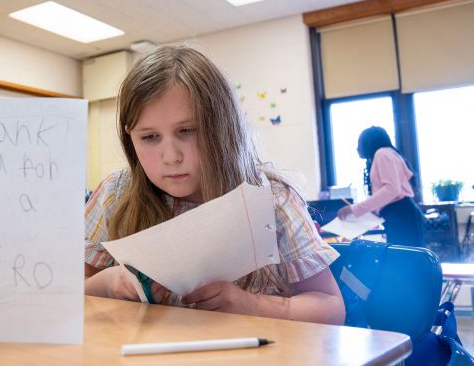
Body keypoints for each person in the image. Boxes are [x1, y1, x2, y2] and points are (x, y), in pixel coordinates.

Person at [83, 45, 345, 325]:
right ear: (129, 137)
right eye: (149, 137)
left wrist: (251, 304)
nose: (171, 157)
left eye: (187, 131)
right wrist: (108, 284)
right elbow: (60, 294)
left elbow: (331, 309)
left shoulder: (270, 198)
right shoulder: (116, 193)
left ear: (221, 127)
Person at [337, 126, 425, 247]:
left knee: (404, 260)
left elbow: (392, 189)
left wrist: (354, 209)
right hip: (402, 213)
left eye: (359, 142)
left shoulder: (382, 154)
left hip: (401, 214)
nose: (357, 148)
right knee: (406, 259)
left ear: (369, 142)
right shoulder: (386, 154)